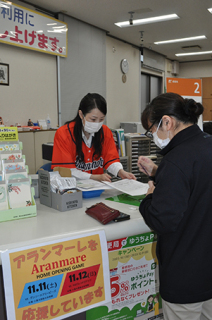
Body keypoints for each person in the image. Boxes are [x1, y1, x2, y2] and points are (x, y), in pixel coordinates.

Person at [137, 92, 212, 320]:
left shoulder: (176, 159)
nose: (154, 137)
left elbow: (163, 219)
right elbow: (199, 181)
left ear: (167, 122)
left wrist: (149, 197)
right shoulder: (207, 144)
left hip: (185, 274)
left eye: (152, 130)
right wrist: (159, 172)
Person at [52, 93, 136, 181]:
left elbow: (111, 159)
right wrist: (94, 177)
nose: (97, 123)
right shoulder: (64, 134)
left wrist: (120, 172)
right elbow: (66, 171)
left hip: (97, 189)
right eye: (93, 119)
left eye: (101, 119)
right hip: (74, 188)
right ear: (81, 114)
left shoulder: (105, 132)